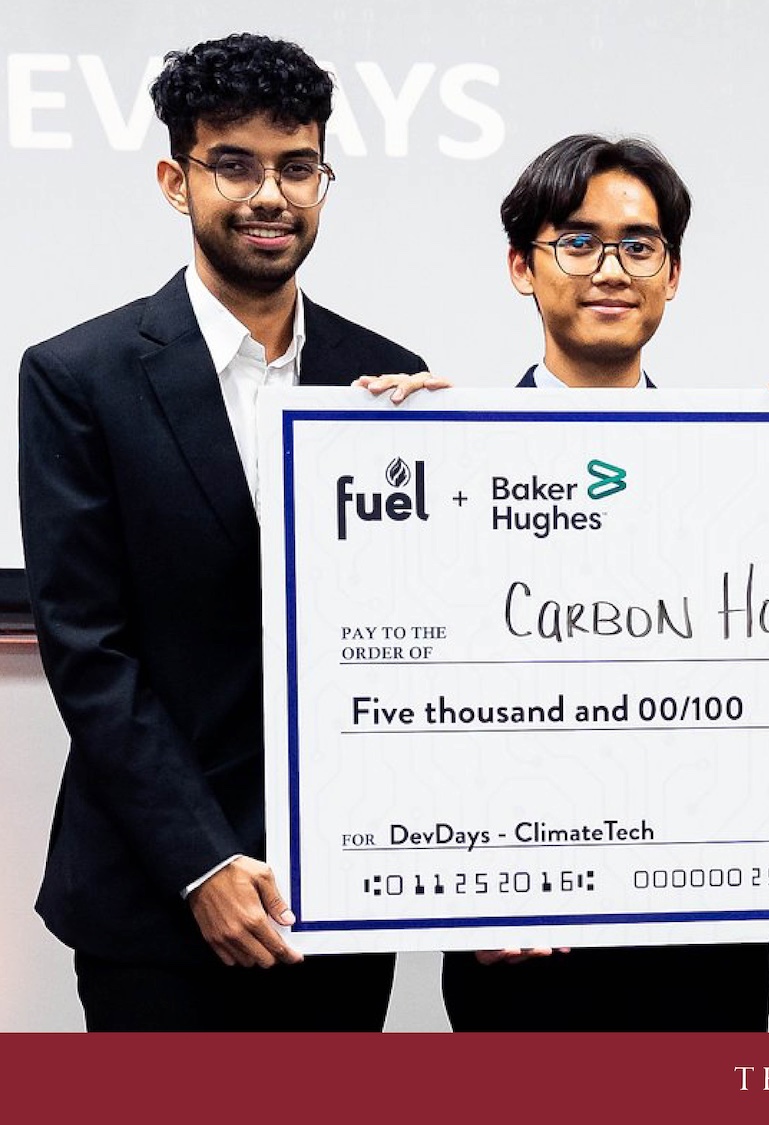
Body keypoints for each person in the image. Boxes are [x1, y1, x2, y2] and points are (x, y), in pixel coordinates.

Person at [17, 33, 424, 1030]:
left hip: (334, 897)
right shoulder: (79, 377)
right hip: (154, 903)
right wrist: (202, 861)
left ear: (324, 176)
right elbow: (88, 650)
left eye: (296, 166)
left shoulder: (388, 381)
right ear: (175, 177)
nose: (269, 195)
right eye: (233, 164)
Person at [364, 134, 769, 1030]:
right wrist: (454, 893)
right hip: (515, 942)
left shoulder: (749, 468)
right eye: (577, 242)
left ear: (672, 273)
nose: (611, 270)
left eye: (640, 244)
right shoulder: (433, 456)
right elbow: (392, 701)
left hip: (703, 949)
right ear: (522, 265)